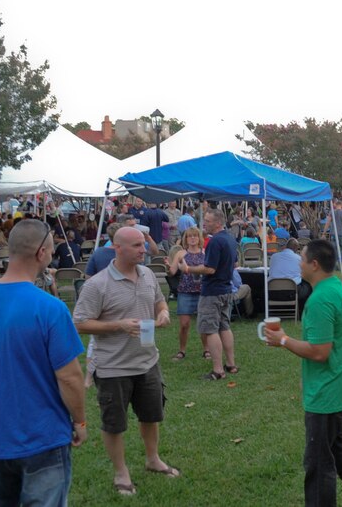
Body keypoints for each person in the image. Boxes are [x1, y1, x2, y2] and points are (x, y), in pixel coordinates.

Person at [0, 219, 87, 505]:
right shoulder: (51, 308)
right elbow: (70, 377)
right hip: (43, 438)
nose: (52, 255)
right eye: (52, 250)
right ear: (41, 253)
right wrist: (79, 420)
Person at [263, 240, 342, 506]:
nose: (299, 262)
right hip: (339, 384)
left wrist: (283, 340)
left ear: (314, 264)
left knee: (319, 463)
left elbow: (320, 352)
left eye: (302, 258)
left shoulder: (321, 299)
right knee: (339, 448)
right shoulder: (334, 287)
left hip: (329, 390)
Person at [73, 226, 178, 495]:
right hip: (112, 367)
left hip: (147, 360)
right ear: (117, 248)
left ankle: (153, 460)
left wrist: (164, 313)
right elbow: (80, 324)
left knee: (151, 415)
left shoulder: (148, 275)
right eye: (136, 246)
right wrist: (118, 325)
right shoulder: (97, 285)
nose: (143, 250)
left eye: (143, 244)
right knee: (114, 423)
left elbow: (159, 302)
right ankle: (121, 473)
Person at [179, 208, 238, 381]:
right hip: (226, 289)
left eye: (208, 221)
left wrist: (188, 269)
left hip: (212, 292)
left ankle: (218, 370)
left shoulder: (214, 242)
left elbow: (209, 269)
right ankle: (231, 364)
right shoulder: (230, 239)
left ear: (218, 223)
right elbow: (234, 264)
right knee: (224, 326)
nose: (204, 223)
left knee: (211, 329)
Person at [166, 226, 209, 360]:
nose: (192, 238)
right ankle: (182, 350)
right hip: (185, 291)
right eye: (189, 236)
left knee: (203, 323)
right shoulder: (181, 254)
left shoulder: (205, 252)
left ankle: (206, 350)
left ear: (199, 238)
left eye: (195, 236)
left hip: (202, 292)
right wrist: (168, 267)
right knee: (184, 324)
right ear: (185, 239)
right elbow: (172, 272)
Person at [270, 238, 313, 313]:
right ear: (296, 248)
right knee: (308, 285)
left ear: (286, 246)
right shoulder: (299, 259)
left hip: (273, 292)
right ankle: (302, 310)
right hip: (291, 293)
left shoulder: (274, 257)